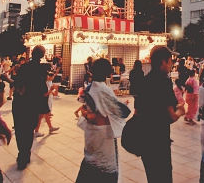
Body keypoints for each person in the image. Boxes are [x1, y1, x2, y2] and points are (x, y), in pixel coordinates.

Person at [75, 58, 130, 182]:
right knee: (104, 164)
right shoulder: (104, 90)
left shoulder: (89, 87)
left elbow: (84, 105)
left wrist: (88, 114)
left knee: (90, 158)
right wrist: (122, 105)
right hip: (103, 132)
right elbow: (122, 112)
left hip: (90, 130)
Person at [137, 45, 185, 183]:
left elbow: (138, 111)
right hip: (160, 141)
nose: (171, 65)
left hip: (145, 140)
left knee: (152, 177)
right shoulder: (164, 82)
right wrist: (181, 111)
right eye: (170, 62)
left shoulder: (144, 81)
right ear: (163, 62)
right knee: (163, 177)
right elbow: (171, 116)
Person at [12, 45, 49, 170]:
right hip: (33, 103)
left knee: (19, 128)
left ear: (32, 53)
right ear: (42, 56)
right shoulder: (41, 70)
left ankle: (22, 152)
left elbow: (17, 83)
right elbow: (43, 89)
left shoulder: (24, 68)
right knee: (29, 129)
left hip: (20, 102)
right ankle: (25, 153)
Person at [34, 72, 59, 137]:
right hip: (42, 102)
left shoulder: (42, 83)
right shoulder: (42, 85)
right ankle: (36, 130)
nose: (48, 77)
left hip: (43, 101)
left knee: (47, 115)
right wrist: (50, 91)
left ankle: (50, 128)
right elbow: (44, 94)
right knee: (40, 116)